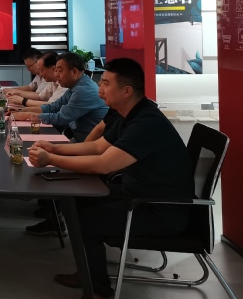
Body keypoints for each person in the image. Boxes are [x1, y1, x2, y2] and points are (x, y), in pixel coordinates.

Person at [29, 58, 194, 299]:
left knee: (85, 219)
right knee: (77, 201)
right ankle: (88, 272)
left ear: (127, 91)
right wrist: (55, 148)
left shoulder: (147, 123)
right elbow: (98, 146)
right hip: (137, 194)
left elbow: (103, 163)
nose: (100, 88)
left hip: (159, 211)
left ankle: (97, 289)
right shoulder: (128, 113)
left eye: (106, 83)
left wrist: (50, 159)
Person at [11, 52, 107, 143]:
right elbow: (53, 107)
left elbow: (61, 118)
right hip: (77, 137)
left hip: (86, 144)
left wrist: (29, 115)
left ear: (74, 72)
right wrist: (22, 111)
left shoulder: (83, 90)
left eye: (59, 71)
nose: (56, 75)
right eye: (56, 70)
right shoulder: (75, 86)